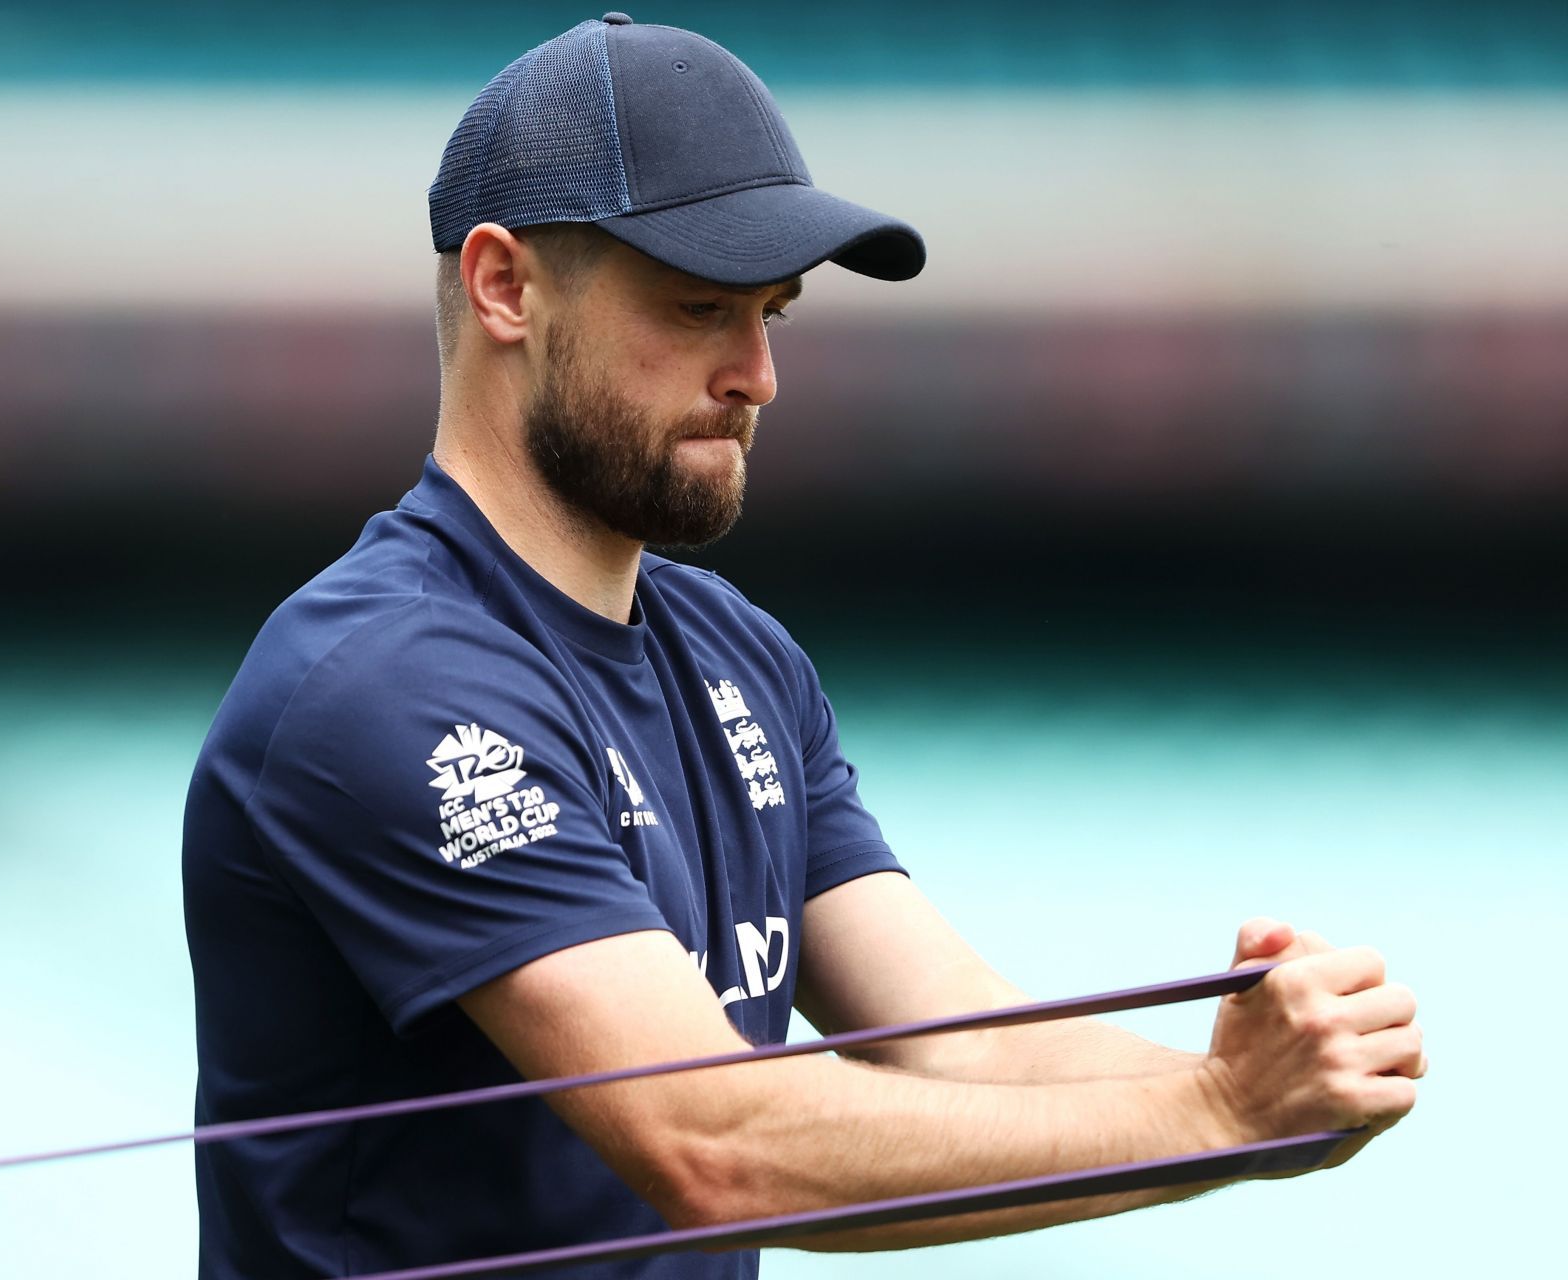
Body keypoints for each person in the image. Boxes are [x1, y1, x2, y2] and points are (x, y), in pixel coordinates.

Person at [181, 14, 1425, 1279]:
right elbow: (718, 1143)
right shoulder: (385, 681)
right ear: (505, 286)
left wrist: (1261, 1084)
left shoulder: (740, 655)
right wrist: (1217, 1119)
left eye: (774, 312)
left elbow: (966, 1045)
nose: (759, 373)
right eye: (699, 306)